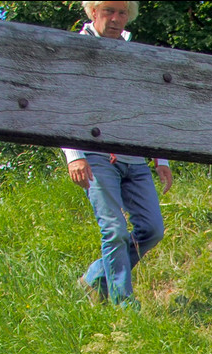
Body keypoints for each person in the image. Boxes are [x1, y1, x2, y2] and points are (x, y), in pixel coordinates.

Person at [64, 1, 172, 308]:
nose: (115, 19)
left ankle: (95, 278)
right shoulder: (76, 48)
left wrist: (160, 159)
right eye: (109, 10)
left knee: (151, 229)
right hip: (95, 154)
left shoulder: (134, 54)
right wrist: (74, 155)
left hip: (133, 157)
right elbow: (63, 102)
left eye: (122, 12)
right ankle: (124, 307)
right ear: (93, 12)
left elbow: (146, 109)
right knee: (114, 230)